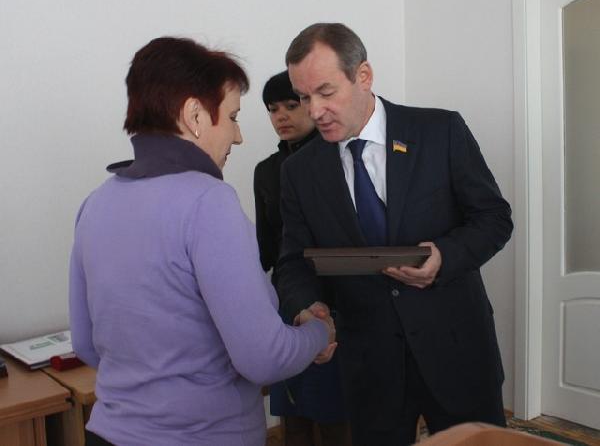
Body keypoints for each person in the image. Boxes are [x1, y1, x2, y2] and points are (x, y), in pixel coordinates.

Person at [69, 36, 335, 446]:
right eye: (232, 117)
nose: (238, 136)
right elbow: (264, 358)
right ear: (195, 115)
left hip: (110, 433)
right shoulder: (208, 201)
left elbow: (87, 345)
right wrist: (318, 332)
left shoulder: (96, 203)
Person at [276, 23, 513, 446]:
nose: (314, 111)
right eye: (304, 97)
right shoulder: (298, 171)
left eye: (326, 92)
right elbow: (294, 262)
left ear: (363, 76)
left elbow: (494, 218)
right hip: (370, 366)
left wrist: (445, 256)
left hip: (456, 350)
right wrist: (306, 307)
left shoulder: (440, 131)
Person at [254, 71, 352, 446]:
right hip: (287, 301)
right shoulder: (267, 171)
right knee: (292, 412)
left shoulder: (340, 156)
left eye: (290, 106)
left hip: (336, 299)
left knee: (336, 414)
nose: (281, 116)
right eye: (272, 109)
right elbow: (266, 249)